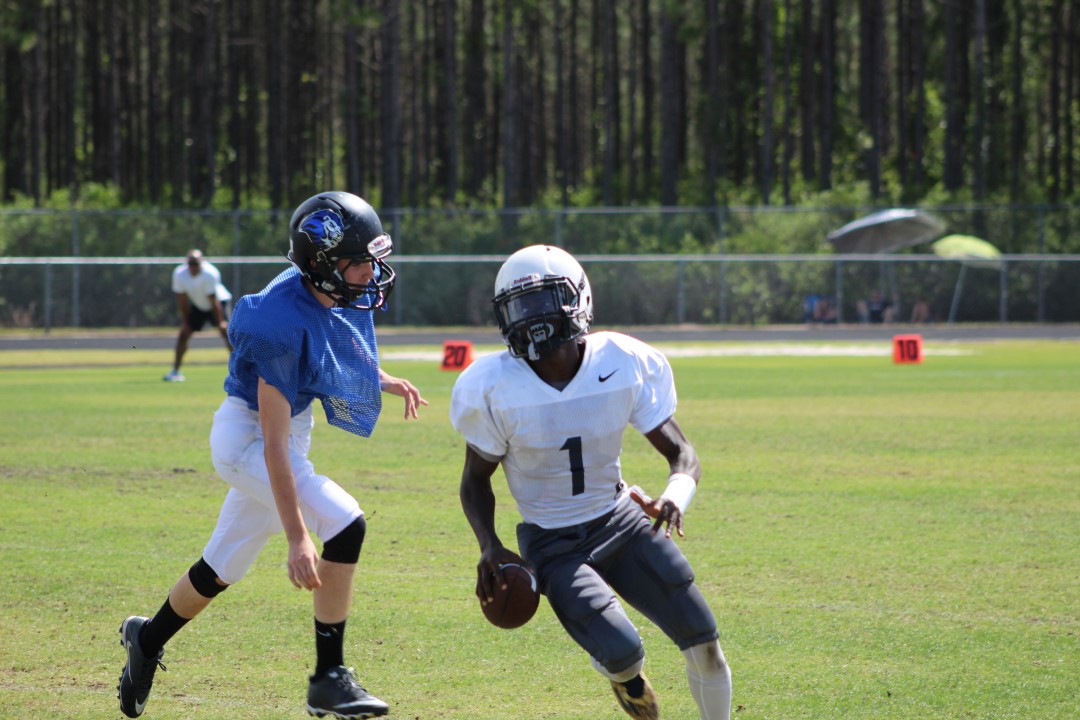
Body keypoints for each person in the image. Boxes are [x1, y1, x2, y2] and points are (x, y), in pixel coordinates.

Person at [117, 191, 428, 719]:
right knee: (346, 524)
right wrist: (297, 535)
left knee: (220, 568)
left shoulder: (319, 290)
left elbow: (327, 342)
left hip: (282, 436)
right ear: (324, 263)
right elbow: (273, 444)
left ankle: (145, 640)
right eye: (359, 261)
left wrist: (383, 378)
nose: (371, 272)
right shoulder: (278, 322)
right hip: (249, 440)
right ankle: (328, 679)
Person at [450, 245, 732, 720]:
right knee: (624, 654)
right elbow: (475, 481)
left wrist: (674, 496)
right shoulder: (494, 386)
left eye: (542, 302)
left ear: (577, 300)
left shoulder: (622, 360)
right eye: (519, 307)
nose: (531, 319)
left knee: (704, 641)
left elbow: (682, 453)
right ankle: (624, 676)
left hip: (621, 521)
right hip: (552, 543)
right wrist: (489, 545)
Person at [164, 249, 233, 382]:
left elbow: (214, 301)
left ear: (202, 263)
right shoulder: (179, 274)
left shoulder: (210, 273)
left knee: (227, 333)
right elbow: (182, 300)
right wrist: (186, 322)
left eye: (195, 264)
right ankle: (175, 371)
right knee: (184, 333)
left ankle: (242, 370)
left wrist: (220, 322)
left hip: (218, 303)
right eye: (190, 264)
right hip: (199, 305)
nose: (193, 267)